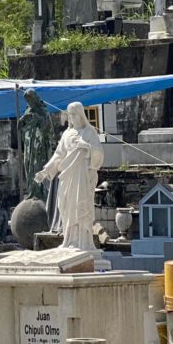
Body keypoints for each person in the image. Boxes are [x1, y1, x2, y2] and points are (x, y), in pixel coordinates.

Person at [33, 103, 104, 251]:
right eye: (70, 115)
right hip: (67, 176)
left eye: (75, 114)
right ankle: (69, 240)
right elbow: (58, 155)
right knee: (65, 206)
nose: (72, 118)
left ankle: (84, 243)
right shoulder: (66, 134)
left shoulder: (89, 132)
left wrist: (87, 147)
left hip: (82, 176)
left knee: (80, 207)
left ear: (81, 115)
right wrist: (45, 171)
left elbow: (99, 154)